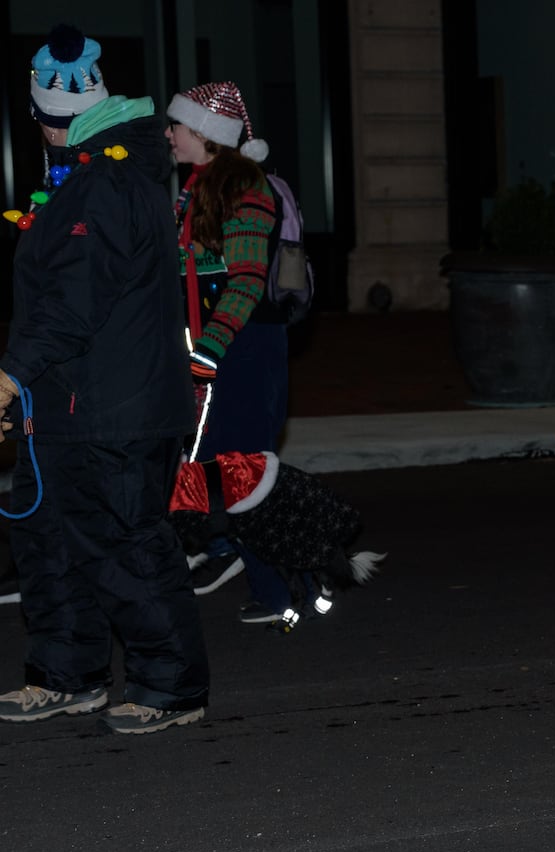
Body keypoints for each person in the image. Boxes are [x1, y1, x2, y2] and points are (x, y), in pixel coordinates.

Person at [0, 25, 210, 734]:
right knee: (49, 540)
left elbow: (75, 300)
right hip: (63, 404)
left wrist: (8, 377)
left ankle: (171, 687)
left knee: (126, 545)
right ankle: (66, 675)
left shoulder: (111, 180)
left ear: (44, 122)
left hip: (114, 407)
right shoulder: (85, 176)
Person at [165, 81, 297, 623]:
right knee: (209, 470)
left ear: (203, 133)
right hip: (215, 349)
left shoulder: (245, 189)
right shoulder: (196, 188)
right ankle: (252, 573)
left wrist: (211, 350)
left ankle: (289, 591)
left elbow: (245, 280)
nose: (168, 135)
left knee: (242, 475)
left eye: (176, 126)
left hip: (243, 352)